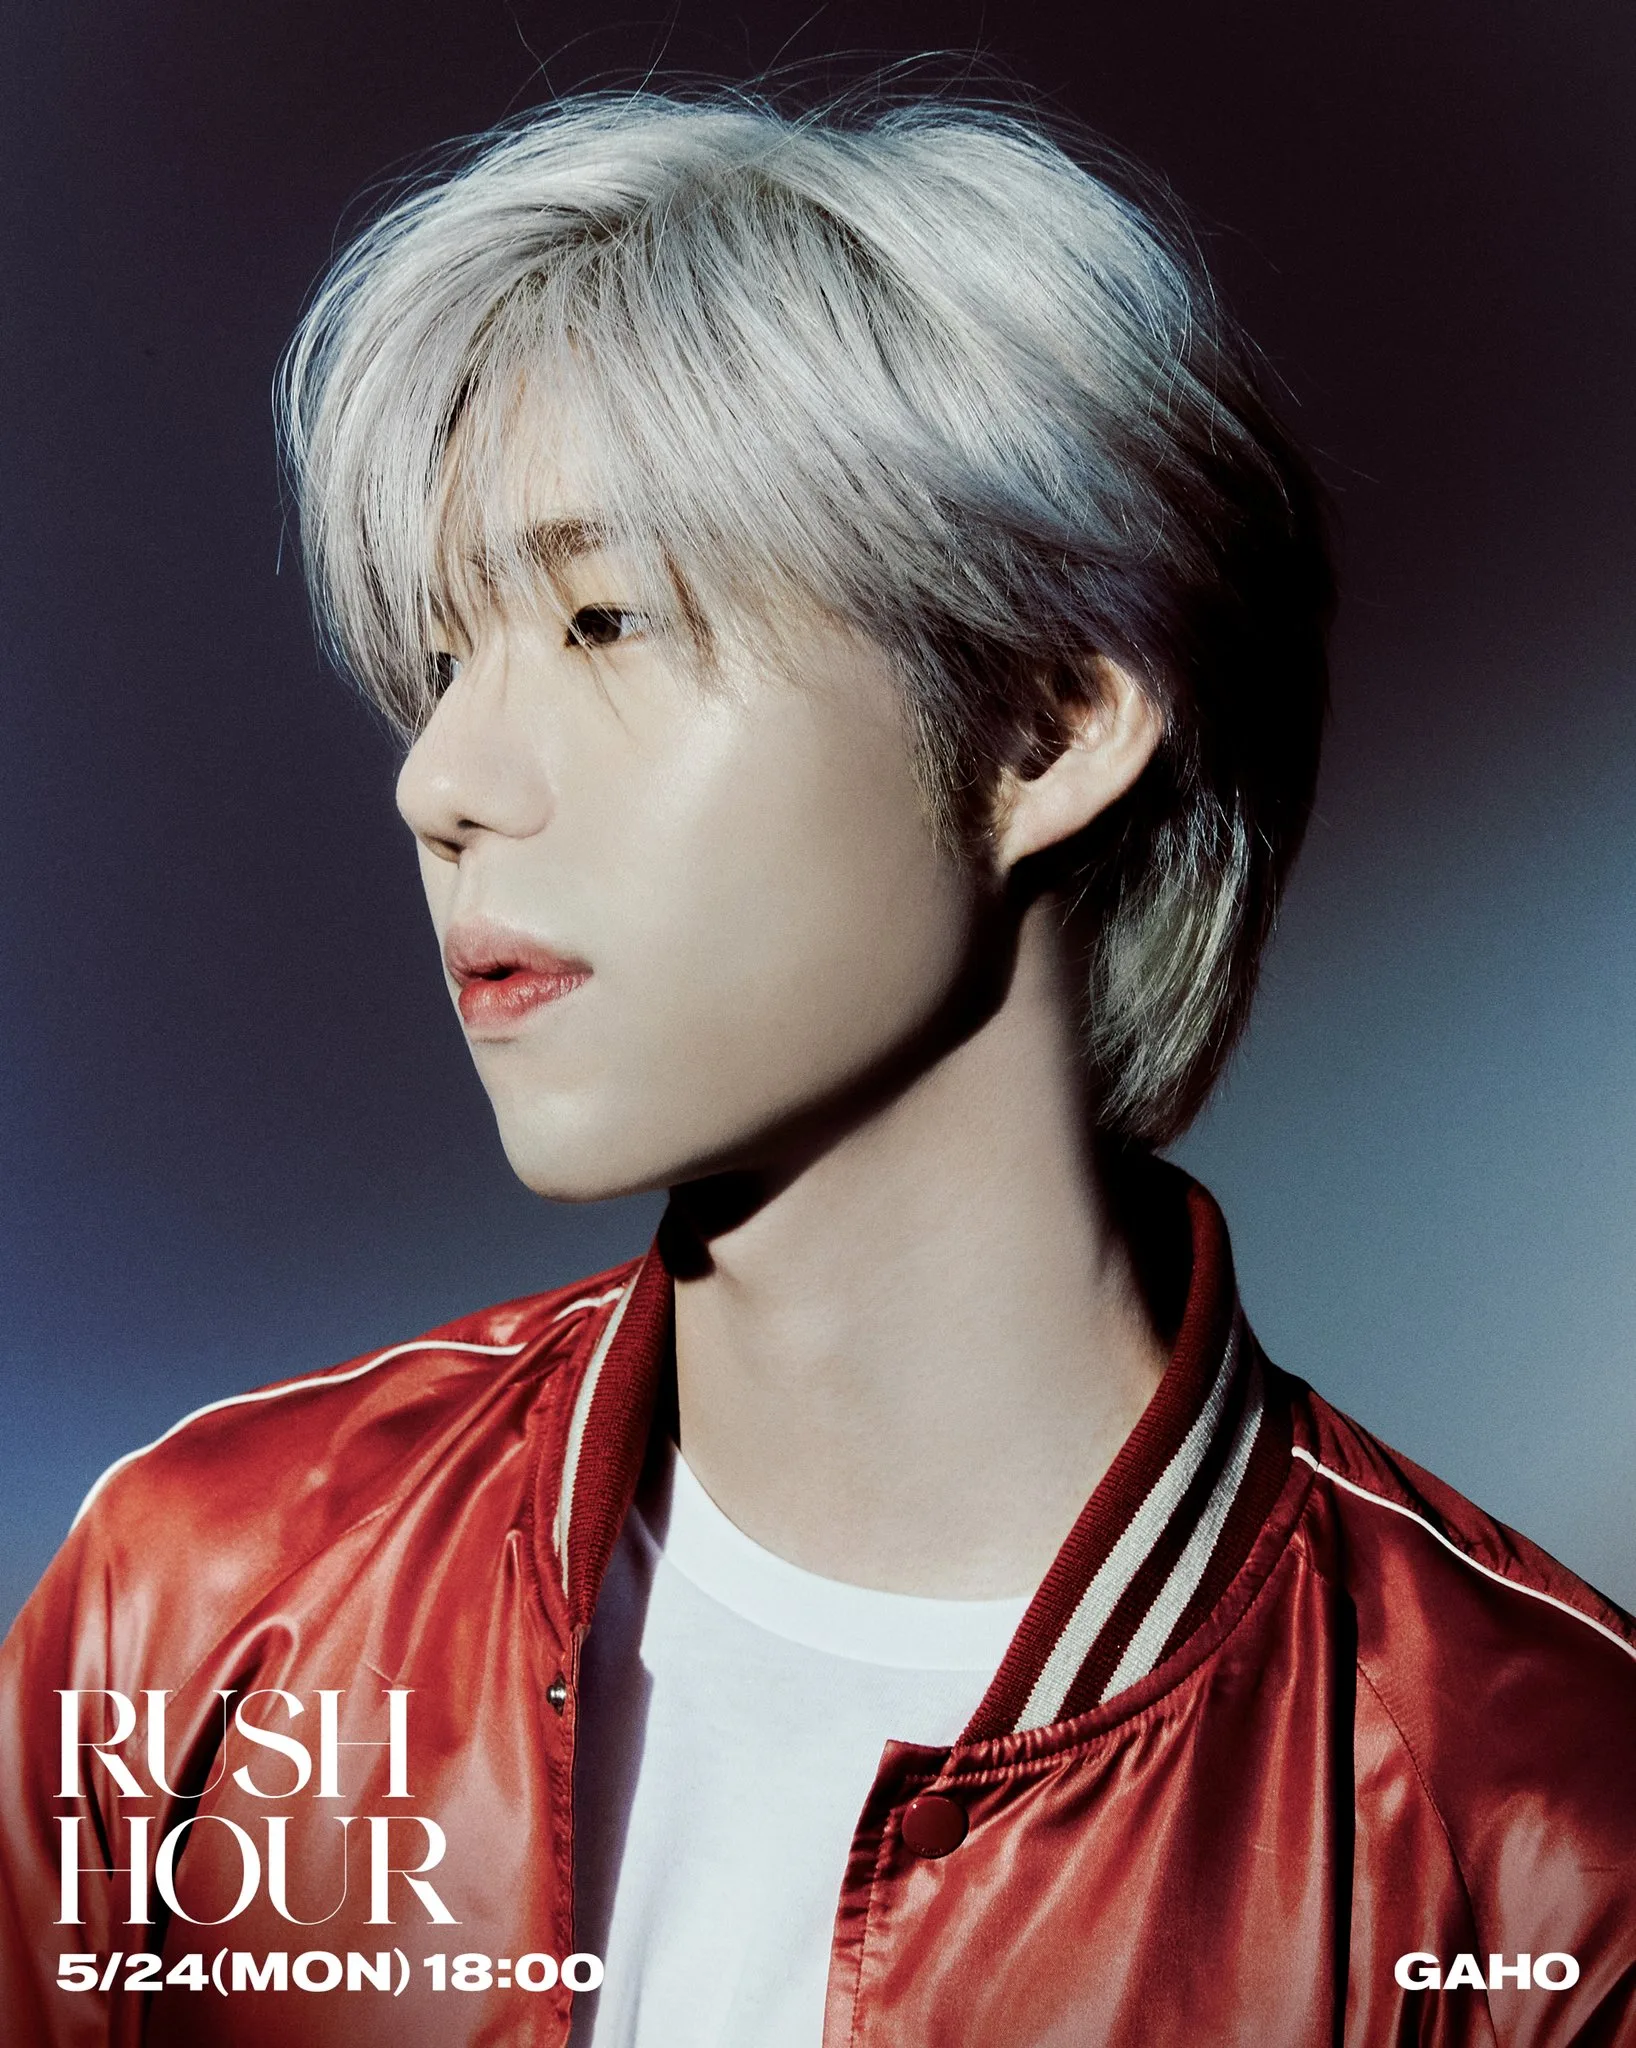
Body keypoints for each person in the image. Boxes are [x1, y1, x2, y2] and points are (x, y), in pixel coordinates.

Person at [1, 88, 1631, 2048]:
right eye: (443, 658)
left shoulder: (1534, 1830)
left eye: (603, 619)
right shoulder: (202, 1603)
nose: (441, 780)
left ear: (1046, 728)